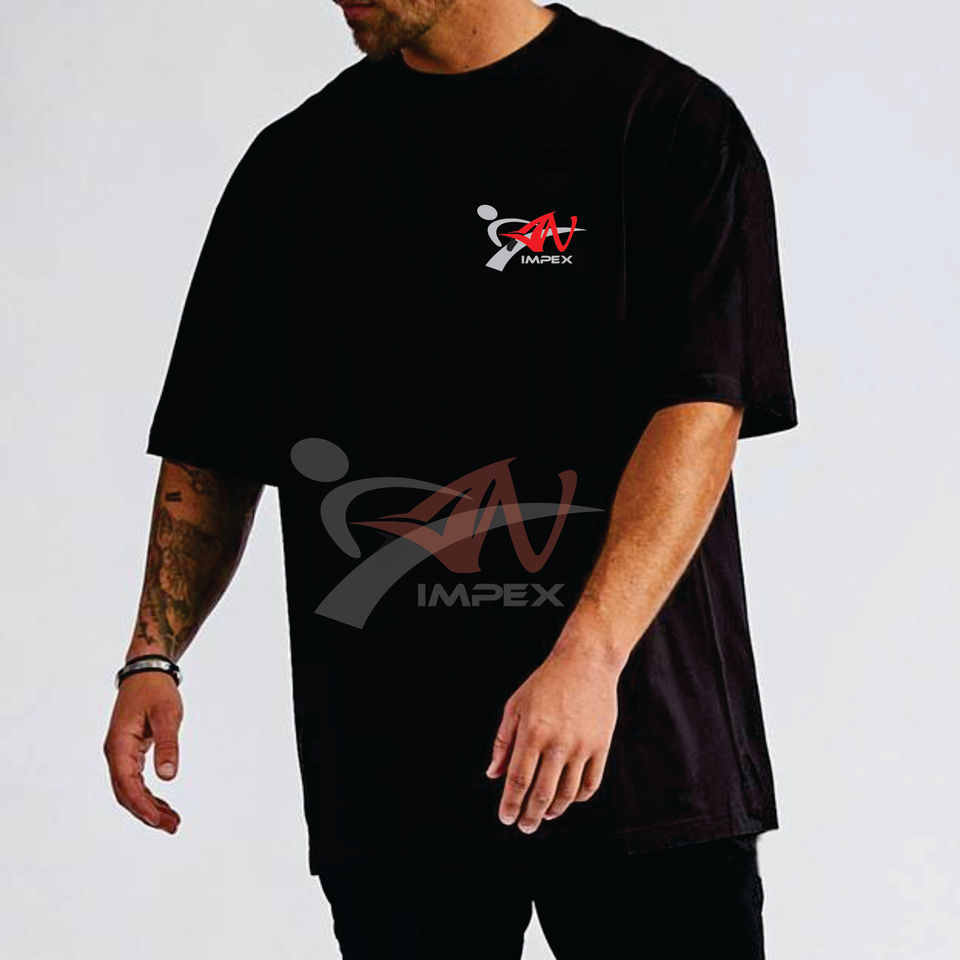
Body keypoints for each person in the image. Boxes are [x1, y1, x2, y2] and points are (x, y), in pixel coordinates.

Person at [102, 2, 798, 956]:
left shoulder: (665, 123)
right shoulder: (294, 168)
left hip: (639, 755)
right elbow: (213, 441)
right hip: (394, 781)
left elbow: (702, 413)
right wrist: (153, 654)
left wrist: (589, 657)